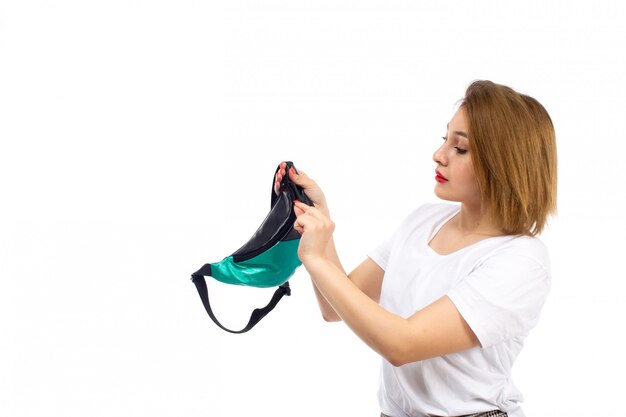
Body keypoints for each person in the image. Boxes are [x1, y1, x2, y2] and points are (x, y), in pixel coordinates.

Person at [274, 80, 557, 417]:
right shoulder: (424, 220)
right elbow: (336, 306)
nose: (439, 156)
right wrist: (321, 222)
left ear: (504, 164)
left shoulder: (520, 260)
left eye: (460, 148)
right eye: (445, 140)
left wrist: (315, 258)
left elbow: (401, 344)